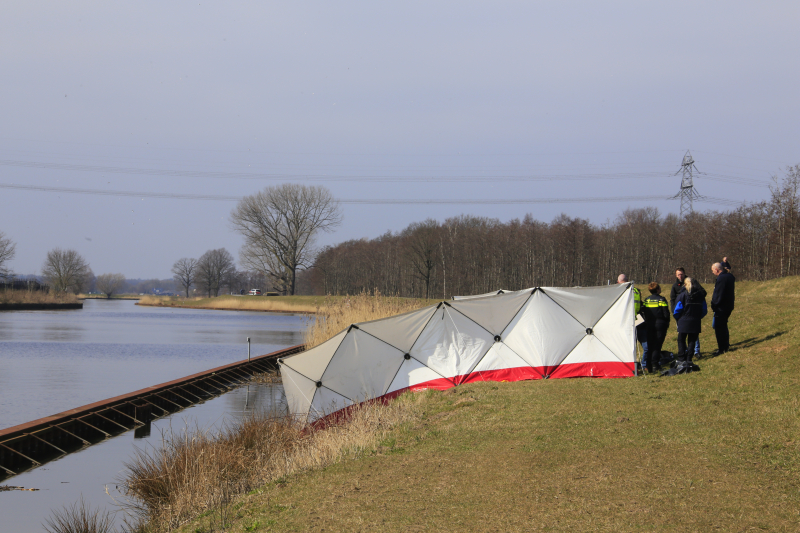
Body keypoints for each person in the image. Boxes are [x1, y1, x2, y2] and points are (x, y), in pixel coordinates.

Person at [673, 277, 707, 369]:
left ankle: (681, 358)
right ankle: (689, 358)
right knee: (692, 340)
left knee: (681, 339)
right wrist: (698, 317)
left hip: (683, 320)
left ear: (685, 285)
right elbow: (704, 309)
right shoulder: (700, 295)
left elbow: (677, 309)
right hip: (695, 320)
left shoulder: (682, 295)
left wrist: (678, 318)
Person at [670, 267, 701, 358]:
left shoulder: (692, 282)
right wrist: (673, 310)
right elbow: (672, 299)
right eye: (678, 274)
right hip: (680, 314)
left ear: (684, 273)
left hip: (692, 312)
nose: (680, 276)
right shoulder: (675, 286)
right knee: (682, 335)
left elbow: (702, 292)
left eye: (681, 274)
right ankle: (686, 351)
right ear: (676, 275)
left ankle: (696, 351)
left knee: (693, 334)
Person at [618, 274, 647, 368]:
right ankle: (642, 364)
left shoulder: (617, 291)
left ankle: (631, 365)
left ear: (618, 282)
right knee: (641, 345)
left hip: (627, 322)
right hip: (637, 319)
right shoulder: (636, 291)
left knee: (630, 345)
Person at [642, 282, 670, 373]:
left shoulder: (647, 300)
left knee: (650, 345)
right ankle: (655, 365)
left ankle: (648, 365)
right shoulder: (661, 300)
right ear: (657, 289)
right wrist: (667, 322)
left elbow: (644, 313)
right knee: (657, 345)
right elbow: (666, 314)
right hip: (660, 324)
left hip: (649, 324)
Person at [711, 262, 735, 355]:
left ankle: (721, 348)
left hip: (721, 307)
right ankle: (726, 345)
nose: (713, 272)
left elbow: (718, 294)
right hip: (729, 306)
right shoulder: (730, 276)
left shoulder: (721, 278)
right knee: (724, 326)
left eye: (713, 270)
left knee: (719, 328)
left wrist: (714, 304)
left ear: (716, 270)